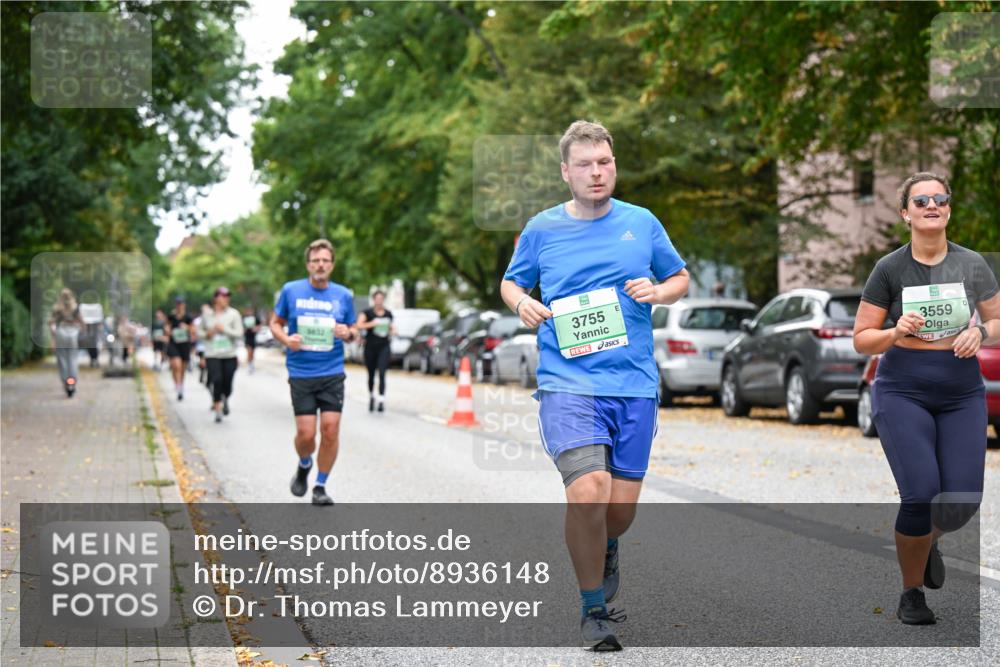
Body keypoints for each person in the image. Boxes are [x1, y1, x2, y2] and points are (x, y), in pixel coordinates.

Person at [499, 120, 689, 650]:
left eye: (604, 161)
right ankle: (592, 608)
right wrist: (522, 302)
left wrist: (659, 291)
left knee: (619, 514)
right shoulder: (541, 228)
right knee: (588, 492)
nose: (596, 171)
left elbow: (680, 278)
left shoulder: (642, 222)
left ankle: (607, 546)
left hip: (632, 386)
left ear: (614, 164)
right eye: (584, 164)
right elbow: (511, 281)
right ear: (566, 172)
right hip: (568, 382)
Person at [853, 172, 1000, 625]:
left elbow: (998, 322)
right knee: (920, 494)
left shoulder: (972, 264)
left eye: (940, 199)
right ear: (906, 213)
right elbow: (862, 339)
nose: (932, 205)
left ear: (949, 209)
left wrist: (980, 331)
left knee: (960, 502)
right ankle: (912, 592)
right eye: (921, 200)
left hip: (960, 391)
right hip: (903, 388)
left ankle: (927, 538)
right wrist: (895, 331)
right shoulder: (890, 269)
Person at [270, 239, 358, 506]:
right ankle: (305, 462)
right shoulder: (291, 291)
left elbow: (353, 330)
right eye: (316, 261)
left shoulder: (343, 295)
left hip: (332, 371)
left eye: (325, 261)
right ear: (308, 264)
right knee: (307, 435)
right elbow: (275, 323)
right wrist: (286, 340)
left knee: (330, 430)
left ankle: (320, 485)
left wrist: (348, 333)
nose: (320, 265)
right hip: (301, 372)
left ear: (332, 265)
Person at [199, 287, 244, 423]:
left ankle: (225, 397)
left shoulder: (234, 314)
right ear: (215, 298)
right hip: (212, 354)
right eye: (222, 296)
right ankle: (218, 407)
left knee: (228, 384)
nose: (225, 299)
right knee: (216, 380)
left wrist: (224, 329)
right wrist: (208, 333)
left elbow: (239, 333)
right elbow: (199, 333)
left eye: (227, 296)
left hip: (229, 354)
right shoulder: (207, 315)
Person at [357, 289, 395, 412]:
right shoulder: (367, 312)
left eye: (381, 299)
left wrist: (393, 330)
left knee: (383, 373)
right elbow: (358, 325)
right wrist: (372, 324)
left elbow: (391, 327)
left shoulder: (388, 313)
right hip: (370, 347)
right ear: (373, 300)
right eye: (377, 299)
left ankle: (381, 399)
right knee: (371, 374)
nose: (379, 301)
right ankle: (372, 396)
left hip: (384, 346)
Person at [49, 288, 84, 397]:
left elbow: (51, 323)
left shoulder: (57, 309)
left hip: (61, 334)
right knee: (73, 359)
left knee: (62, 359)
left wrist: (53, 337)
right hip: (73, 334)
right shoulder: (76, 308)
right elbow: (82, 322)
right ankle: (72, 381)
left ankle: (65, 381)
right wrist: (81, 331)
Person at [165, 297, 195, 400]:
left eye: (181, 304)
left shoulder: (188, 317)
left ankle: (181, 385)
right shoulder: (171, 316)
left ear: (184, 305)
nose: (179, 306)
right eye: (178, 304)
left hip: (185, 345)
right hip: (173, 344)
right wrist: (168, 331)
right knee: (176, 365)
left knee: (182, 368)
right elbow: (167, 327)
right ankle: (177, 385)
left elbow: (194, 330)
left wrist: (187, 327)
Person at [242, 307, 261, 374]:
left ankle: (251, 364)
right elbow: (241, 328)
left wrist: (255, 328)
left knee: (252, 353)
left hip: (253, 338)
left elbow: (260, 326)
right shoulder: (243, 319)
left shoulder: (255, 318)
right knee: (249, 352)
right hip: (247, 338)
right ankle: (249, 365)